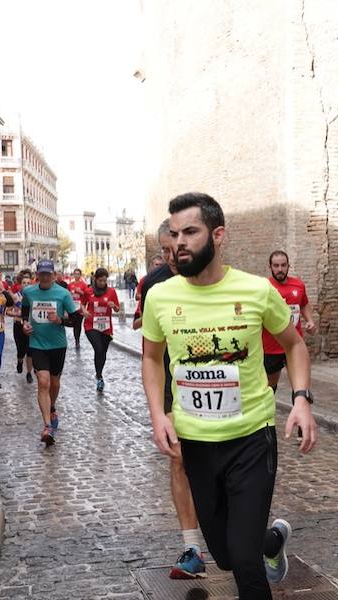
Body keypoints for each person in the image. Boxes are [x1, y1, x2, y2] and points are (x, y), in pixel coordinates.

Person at [141, 193, 318, 599]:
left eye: (190, 231)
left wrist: (302, 400)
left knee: (242, 559)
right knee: (222, 553)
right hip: (197, 444)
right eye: (174, 233)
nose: (179, 241)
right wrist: (158, 414)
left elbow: (294, 345)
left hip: (251, 439)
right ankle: (271, 542)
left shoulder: (256, 291)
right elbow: (151, 359)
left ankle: (258, 550)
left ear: (218, 235)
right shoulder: (160, 297)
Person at [133, 220, 207, 579]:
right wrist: (157, 411)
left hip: (218, 387)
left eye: (173, 248)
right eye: (163, 251)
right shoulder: (154, 284)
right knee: (179, 461)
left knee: (217, 467)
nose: (170, 257)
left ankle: (249, 540)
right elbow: (150, 352)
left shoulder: (215, 277)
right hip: (172, 385)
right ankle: (192, 547)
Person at [21, 260, 79, 446]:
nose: (45, 277)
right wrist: (25, 324)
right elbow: (24, 311)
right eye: (42, 273)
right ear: (37, 275)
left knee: (54, 383)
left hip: (57, 345)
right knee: (43, 382)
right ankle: (47, 426)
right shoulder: (29, 292)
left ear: (54, 275)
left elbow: (75, 321)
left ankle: (52, 407)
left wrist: (60, 320)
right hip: (37, 344)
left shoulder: (63, 294)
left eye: (48, 274)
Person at [262, 251, 317, 393]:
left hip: (294, 345)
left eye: (283, 265)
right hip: (271, 347)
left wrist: (310, 320)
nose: (280, 269)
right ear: (270, 267)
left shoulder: (298, 285)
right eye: (276, 265)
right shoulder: (264, 287)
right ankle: (269, 413)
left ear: (288, 266)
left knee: (300, 388)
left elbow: (304, 304)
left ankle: (300, 412)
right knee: (270, 386)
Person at [81, 267, 120, 392]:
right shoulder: (89, 291)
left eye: (104, 280)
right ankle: (99, 377)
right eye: (100, 280)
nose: (103, 283)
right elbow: (81, 304)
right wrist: (84, 311)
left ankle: (99, 374)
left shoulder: (111, 292)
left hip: (106, 327)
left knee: (102, 352)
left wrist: (114, 306)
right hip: (91, 325)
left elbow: (118, 308)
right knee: (98, 349)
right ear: (95, 279)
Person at [9, 273, 34, 383]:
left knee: (30, 351)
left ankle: (29, 373)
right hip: (18, 325)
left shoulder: (34, 297)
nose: (26, 285)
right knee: (21, 350)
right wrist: (16, 314)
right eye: (24, 283)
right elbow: (7, 311)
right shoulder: (15, 296)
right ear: (20, 285)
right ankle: (19, 361)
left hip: (30, 325)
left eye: (28, 283)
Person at [67, 268, 90, 350]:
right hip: (72, 307)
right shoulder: (70, 285)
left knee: (78, 324)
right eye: (75, 274)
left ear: (80, 275)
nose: (76, 275)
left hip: (80, 308)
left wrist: (80, 292)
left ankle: (77, 340)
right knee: (74, 323)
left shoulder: (83, 285)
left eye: (78, 274)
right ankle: (76, 338)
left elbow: (87, 296)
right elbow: (67, 295)